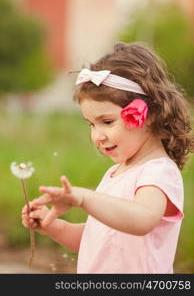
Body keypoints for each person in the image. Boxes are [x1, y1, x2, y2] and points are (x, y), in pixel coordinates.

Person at [22, 42, 193, 274]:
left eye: (107, 122)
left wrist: (84, 198)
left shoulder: (157, 171)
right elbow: (99, 240)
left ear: (149, 114)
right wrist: (55, 228)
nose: (97, 136)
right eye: (91, 124)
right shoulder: (116, 173)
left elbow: (142, 219)